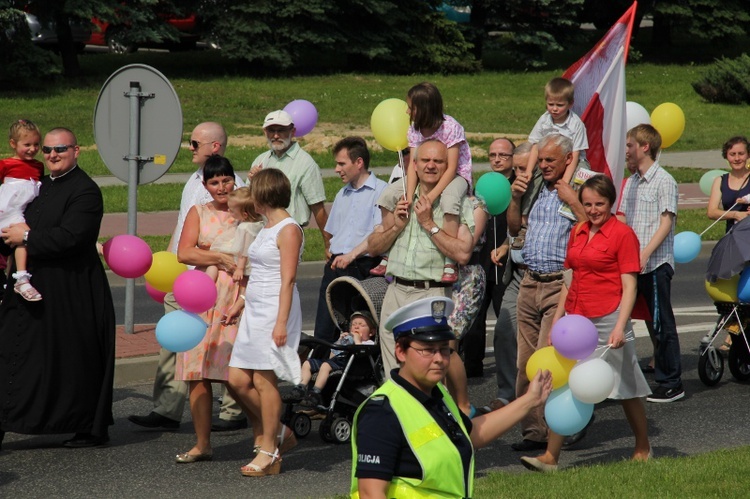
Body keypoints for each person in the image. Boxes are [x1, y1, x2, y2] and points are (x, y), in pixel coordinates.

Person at [350, 296, 553, 498]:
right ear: (400, 352)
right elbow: (370, 493)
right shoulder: (382, 411)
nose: (439, 359)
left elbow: (469, 435)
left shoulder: (437, 395)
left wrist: (530, 400)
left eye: (444, 349)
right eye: (428, 350)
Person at [520, 174, 652, 473]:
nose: (593, 210)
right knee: (565, 383)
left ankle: (643, 445)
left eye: (600, 204)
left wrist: (620, 327)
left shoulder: (623, 234)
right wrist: (557, 322)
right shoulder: (578, 230)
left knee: (625, 387)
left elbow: (629, 286)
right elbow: (570, 280)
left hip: (608, 317)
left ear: (611, 202)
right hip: (576, 320)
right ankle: (550, 457)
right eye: (588, 204)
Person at [128, 122, 247, 433]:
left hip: (227, 285)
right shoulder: (193, 183)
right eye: (216, 183)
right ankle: (168, 408)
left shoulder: (241, 196)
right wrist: (167, 267)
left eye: (195, 144)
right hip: (190, 281)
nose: (190, 148)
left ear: (214, 147)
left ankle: (234, 411)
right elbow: (183, 231)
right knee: (177, 340)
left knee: (227, 344)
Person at [0, 127, 115, 448]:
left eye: (60, 149)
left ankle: (86, 425)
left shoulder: (86, 190)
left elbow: (72, 237)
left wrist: (26, 238)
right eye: (47, 150)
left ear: (76, 151)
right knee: (11, 352)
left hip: (70, 289)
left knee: (72, 360)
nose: (52, 155)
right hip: (29, 284)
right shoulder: (38, 185)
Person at [367, 139, 475, 415]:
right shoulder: (401, 199)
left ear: (446, 166)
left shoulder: (456, 203)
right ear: (413, 165)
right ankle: (401, 424)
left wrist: (429, 224)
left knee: (430, 369)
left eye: (438, 162)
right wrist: (396, 227)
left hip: (431, 294)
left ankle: (437, 425)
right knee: (393, 367)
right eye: (424, 160)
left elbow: (463, 253)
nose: (430, 166)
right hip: (396, 291)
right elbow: (373, 246)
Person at [506, 133, 586, 452]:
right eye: (541, 160)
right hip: (529, 281)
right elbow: (514, 230)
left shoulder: (581, 182)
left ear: (568, 159)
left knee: (548, 360)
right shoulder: (536, 186)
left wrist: (573, 199)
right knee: (525, 363)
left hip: (559, 284)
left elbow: (592, 226)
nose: (543, 166)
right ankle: (534, 431)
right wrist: (514, 198)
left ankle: (563, 425)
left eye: (550, 160)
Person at [227, 168, 304, 477]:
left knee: (263, 380)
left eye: (254, 191)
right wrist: (241, 303)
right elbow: (257, 272)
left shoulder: (288, 229)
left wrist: (281, 322)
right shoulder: (266, 225)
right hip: (255, 308)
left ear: (263, 196)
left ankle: (269, 449)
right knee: (236, 379)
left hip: (275, 310)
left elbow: (288, 280)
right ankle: (279, 432)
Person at [172, 155, 248, 463]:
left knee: (239, 373)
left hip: (235, 297)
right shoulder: (199, 212)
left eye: (226, 180)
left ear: (234, 179)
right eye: (214, 182)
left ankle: (267, 435)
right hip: (201, 297)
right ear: (205, 185)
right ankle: (203, 443)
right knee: (196, 371)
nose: (221, 187)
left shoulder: (245, 211)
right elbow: (183, 252)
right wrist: (217, 257)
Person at [619, 124, 683, 403]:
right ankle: (618, 380)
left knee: (660, 323)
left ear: (645, 147)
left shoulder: (664, 180)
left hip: (654, 263)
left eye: (630, 145)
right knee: (621, 320)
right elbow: (622, 218)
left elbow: (666, 222)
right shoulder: (631, 181)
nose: (627, 151)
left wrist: (644, 253)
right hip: (631, 265)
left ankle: (672, 382)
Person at [312, 136, 387, 342]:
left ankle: (357, 371)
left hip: (362, 265)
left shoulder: (381, 191)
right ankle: (320, 367)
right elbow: (334, 230)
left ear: (359, 162)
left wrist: (352, 255)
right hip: (337, 264)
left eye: (341, 163)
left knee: (360, 328)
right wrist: (330, 249)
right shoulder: (341, 194)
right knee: (325, 325)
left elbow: (379, 232)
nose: (337, 169)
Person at [479, 141, 533, 413]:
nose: (521, 174)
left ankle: (541, 395)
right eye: (519, 168)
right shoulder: (516, 191)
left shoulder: (547, 190)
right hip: (518, 275)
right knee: (503, 330)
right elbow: (514, 228)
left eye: (526, 168)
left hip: (548, 278)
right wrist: (507, 245)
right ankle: (506, 392)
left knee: (540, 341)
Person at [401, 82, 473, 284]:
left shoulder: (450, 127)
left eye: (411, 107)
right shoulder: (414, 130)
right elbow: (413, 165)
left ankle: (450, 261)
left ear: (424, 109)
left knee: (449, 200)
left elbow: (451, 168)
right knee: (391, 194)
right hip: (428, 173)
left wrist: (431, 197)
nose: (407, 111)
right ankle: (390, 254)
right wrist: (408, 196)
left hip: (456, 174)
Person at [461, 137, 515, 378]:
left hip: (507, 266)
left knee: (506, 324)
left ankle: (510, 371)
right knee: (473, 322)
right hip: (479, 265)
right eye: (493, 154)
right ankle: (472, 370)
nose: (497, 159)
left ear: (512, 158)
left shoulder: (519, 188)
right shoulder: (479, 187)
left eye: (503, 155)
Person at [247, 109, 329, 253]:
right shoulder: (261, 160)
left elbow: (318, 208)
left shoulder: (305, 163)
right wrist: (253, 183)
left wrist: (328, 245)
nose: (276, 135)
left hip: (288, 232)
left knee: (284, 276)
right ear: (265, 132)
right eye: (271, 131)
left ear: (293, 131)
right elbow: (246, 201)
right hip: (260, 232)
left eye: (281, 130)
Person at [705, 136, 750, 351]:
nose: (737, 158)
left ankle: (734, 337)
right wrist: (735, 215)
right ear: (726, 156)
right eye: (733, 154)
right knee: (730, 290)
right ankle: (735, 330)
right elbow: (711, 211)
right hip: (731, 241)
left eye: (741, 153)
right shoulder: (720, 181)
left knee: (746, 290)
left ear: (748, 155)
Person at [286, 311, 376, 409]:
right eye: (353, 324)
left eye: (361, 325)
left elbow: (362, 353)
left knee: (325, 366)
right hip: (334, 361)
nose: (356, 327)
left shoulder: (368, 343)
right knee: (307, 363)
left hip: (350, 365)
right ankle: (300, 388)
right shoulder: (347, 339)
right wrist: (340, 341)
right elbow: (332, 355)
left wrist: (357, 340)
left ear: (371, 332)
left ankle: (315, 393)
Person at [0, 119, 44, 301]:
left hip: (25, 208)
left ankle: (12, 278)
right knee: (23, 238)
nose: (32, 149)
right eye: (27, 144)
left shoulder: (38, 166)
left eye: (36, 144)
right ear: (13, 144)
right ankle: (22, 278)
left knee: (20, 241)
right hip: (10, 207)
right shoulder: (6, 164)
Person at [206, 187, 263, 283]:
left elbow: (243, 250)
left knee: (213, 264)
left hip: (241, 261)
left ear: (245, 215)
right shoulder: (260, 223)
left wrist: (240, 268)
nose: (228, 211)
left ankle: (207, 283)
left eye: (232, 210)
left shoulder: (244, 228)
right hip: (254, 259)